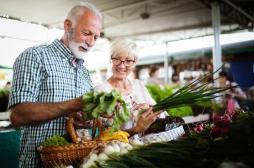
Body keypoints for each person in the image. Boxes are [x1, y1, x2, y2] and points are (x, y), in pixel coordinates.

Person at [8, 2, 103, 167]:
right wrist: (74, 105)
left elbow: (81, 122)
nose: (91, 42)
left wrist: (85, 120)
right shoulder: (35, 57)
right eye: (86, 33)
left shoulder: (85, 73)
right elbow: (18, 115)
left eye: (96, 37)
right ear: (68, 25)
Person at [94, 38, 164, 137]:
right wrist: (136, 129)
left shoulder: (138, 85)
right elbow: (102, 135)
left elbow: (160, 113)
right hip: (118, 150)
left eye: (128, 61)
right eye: (117, 59)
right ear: (110, 60)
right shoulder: (100, 90)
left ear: (134, 63)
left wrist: (147, 110)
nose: (122, 66)